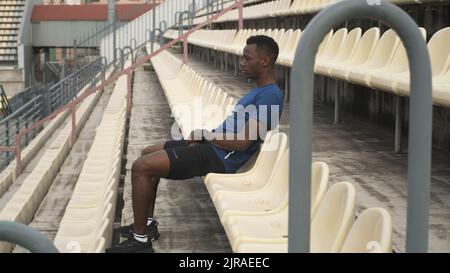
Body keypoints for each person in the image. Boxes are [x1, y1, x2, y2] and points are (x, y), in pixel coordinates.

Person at [106, 35, 284, 253]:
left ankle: (141, 241)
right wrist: (202, 137)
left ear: (265, 61)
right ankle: (147, 225)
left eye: (247, 59)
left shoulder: (270, 96)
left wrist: (205, 135)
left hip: (220, 158)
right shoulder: (260, 91)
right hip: (213, 147)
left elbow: (242, 143)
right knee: (146, 153)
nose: (242, 63)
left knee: (141, 167)